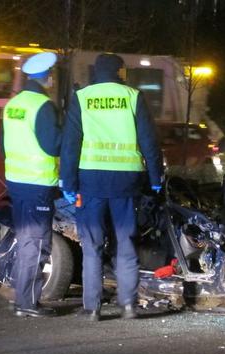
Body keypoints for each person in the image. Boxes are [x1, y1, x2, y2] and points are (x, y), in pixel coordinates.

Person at [60, 53, 163, 321]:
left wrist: (68, 181)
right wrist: (155, 178)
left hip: (91, 181)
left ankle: (92, 309)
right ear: (119, 71)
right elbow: (149, 141)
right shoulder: (132, 96)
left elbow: (71, 144)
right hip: (126, 182)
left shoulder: (82, 98)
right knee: (125, 242)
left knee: (91, 244)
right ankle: (128, 305)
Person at [1, 52, 62, 317]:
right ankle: (28, 303)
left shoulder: (13, 104)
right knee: (36, 244)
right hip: (38, 183)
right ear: (48, 77)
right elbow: (53, 144)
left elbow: (3, 144)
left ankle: (21, 298)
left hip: (16, 181)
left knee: (25, 240)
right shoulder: (43, 106)